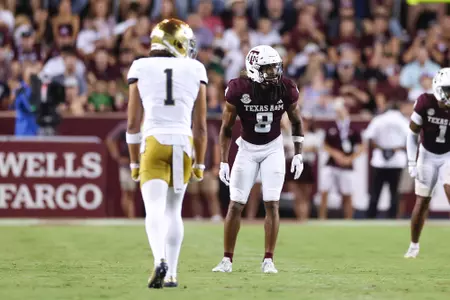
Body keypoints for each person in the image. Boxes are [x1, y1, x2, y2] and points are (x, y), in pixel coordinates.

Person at [126, 19, 208, 288]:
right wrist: (201, 163)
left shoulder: (140, 66)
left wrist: (133, 160)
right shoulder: (195, 68)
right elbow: (202, 127)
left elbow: (131, 123)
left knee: (154, 210)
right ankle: (172, 273)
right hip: (183, 143)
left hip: (153, 141)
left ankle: (159, 259)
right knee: (174, 210)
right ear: (176, 43)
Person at [212, 45, 304, 274]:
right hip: (247, 149)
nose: (274, 72)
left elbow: (296, 121)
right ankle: (226, 260)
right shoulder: (238, 89)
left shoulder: (286, 88)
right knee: (236, 203)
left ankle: (269, 260)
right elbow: (226, 128)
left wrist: (299, 152)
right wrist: (223, 160)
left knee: (271, 203)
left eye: (275, 66)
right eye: (268, 68)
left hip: (273, 148)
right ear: (253, 69)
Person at [404, 68, 450, 258]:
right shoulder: (425, 101)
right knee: (422, 202)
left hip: (448, 154)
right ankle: (414, 245)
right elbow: (412, 133)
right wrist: (411, 162)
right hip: (427, 154)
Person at [363, 102, 409, 219]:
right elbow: (412, 139)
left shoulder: (378, 119)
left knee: (375, 192)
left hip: (379, 160)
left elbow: (368, 136)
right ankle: (392, 218)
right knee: (394, 194)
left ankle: (370, 217)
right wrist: (396, 148)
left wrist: (381, 147)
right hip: (397, 160)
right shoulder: (403, 120)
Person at [319, 100, 363, 219]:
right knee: (324, 191)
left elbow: (361, 147)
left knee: (347, 194)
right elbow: (325, 144)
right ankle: (322, 218)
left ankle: (348, 219)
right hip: (331, 163)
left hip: (347, 165)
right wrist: (335, 154)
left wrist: (350, 158)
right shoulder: (331, 126)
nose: (339, 112)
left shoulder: (354, 127)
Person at [106, 120, 137, 218]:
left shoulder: (148, 125)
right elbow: (110, 139)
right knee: (128, 193)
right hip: (128, 163)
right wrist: (117, 157)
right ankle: (131, 219)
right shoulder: (125, 126)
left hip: (146, 163)